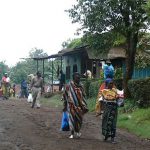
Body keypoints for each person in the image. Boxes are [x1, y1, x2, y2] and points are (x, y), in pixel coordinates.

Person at [62, 72, 88, 139]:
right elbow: (65, 95)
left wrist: (84, 105)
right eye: (77, 78)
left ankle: (78, 131)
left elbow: (84, 96)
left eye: (79, 78)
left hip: (80, 106)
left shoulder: (81, 86)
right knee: (71, 119)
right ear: (73, 78)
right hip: (71, 105)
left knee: (79, 119)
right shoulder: (68, 85)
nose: (78, 79)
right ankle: (72, 133)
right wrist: (64, 106)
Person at [100, 79, 119, 143]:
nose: (111, 84)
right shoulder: (103, 91)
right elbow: (101, 101)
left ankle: (112, 139)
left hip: (114, 109)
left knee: (113, 123)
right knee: (106, 122)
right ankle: (106, 136)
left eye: (112, 83)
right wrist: (101, 110)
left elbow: (118, 99)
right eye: (110, 83)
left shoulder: (115, 91)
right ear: (107, 84)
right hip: (107, 109)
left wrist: (118, 98)